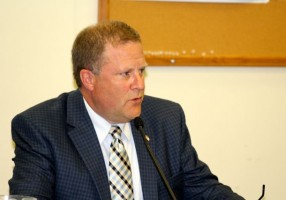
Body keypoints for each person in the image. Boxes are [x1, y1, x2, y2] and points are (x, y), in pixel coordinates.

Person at [9, 21, 244, 200]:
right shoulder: (40, 128)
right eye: (126, 74)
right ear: (89, 79)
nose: (139, 84)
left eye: (141, 71)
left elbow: (202, 189)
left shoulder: (166, 118)